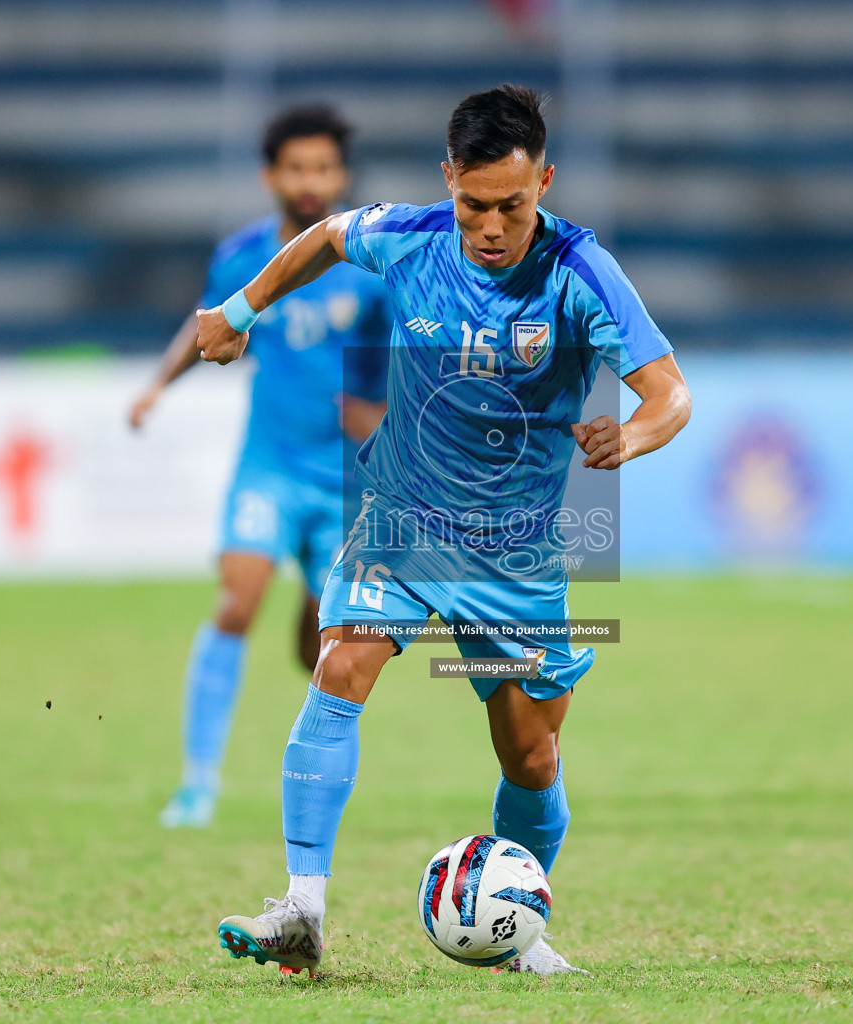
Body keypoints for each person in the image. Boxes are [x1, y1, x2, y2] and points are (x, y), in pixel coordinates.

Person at [194, 85, 691, 975]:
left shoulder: (582, 273)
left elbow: (671, 394)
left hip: (516, 556)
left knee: (531, 755)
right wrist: (240, 311)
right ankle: (301, 909)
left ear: (545, 179)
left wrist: (635, 435)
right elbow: (324, 238)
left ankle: (515, 934)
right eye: (474, 204)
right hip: (401, 519)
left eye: (513, 205)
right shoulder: (413, 236)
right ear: (447, 179)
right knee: (341, 662)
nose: (492, 226)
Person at [129, 105, 391, 829]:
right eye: (298, 167)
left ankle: (314, 775)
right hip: (269, 465)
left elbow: (404, 357)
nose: (312, 181)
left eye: (325, 168)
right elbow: (207, 322)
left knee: (326, 643)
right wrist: (158, 385)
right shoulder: (244, 256)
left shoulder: (371, 262)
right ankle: (197, 784)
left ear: (342, 175)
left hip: (346, 480)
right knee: (235, 602)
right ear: (271, 176)